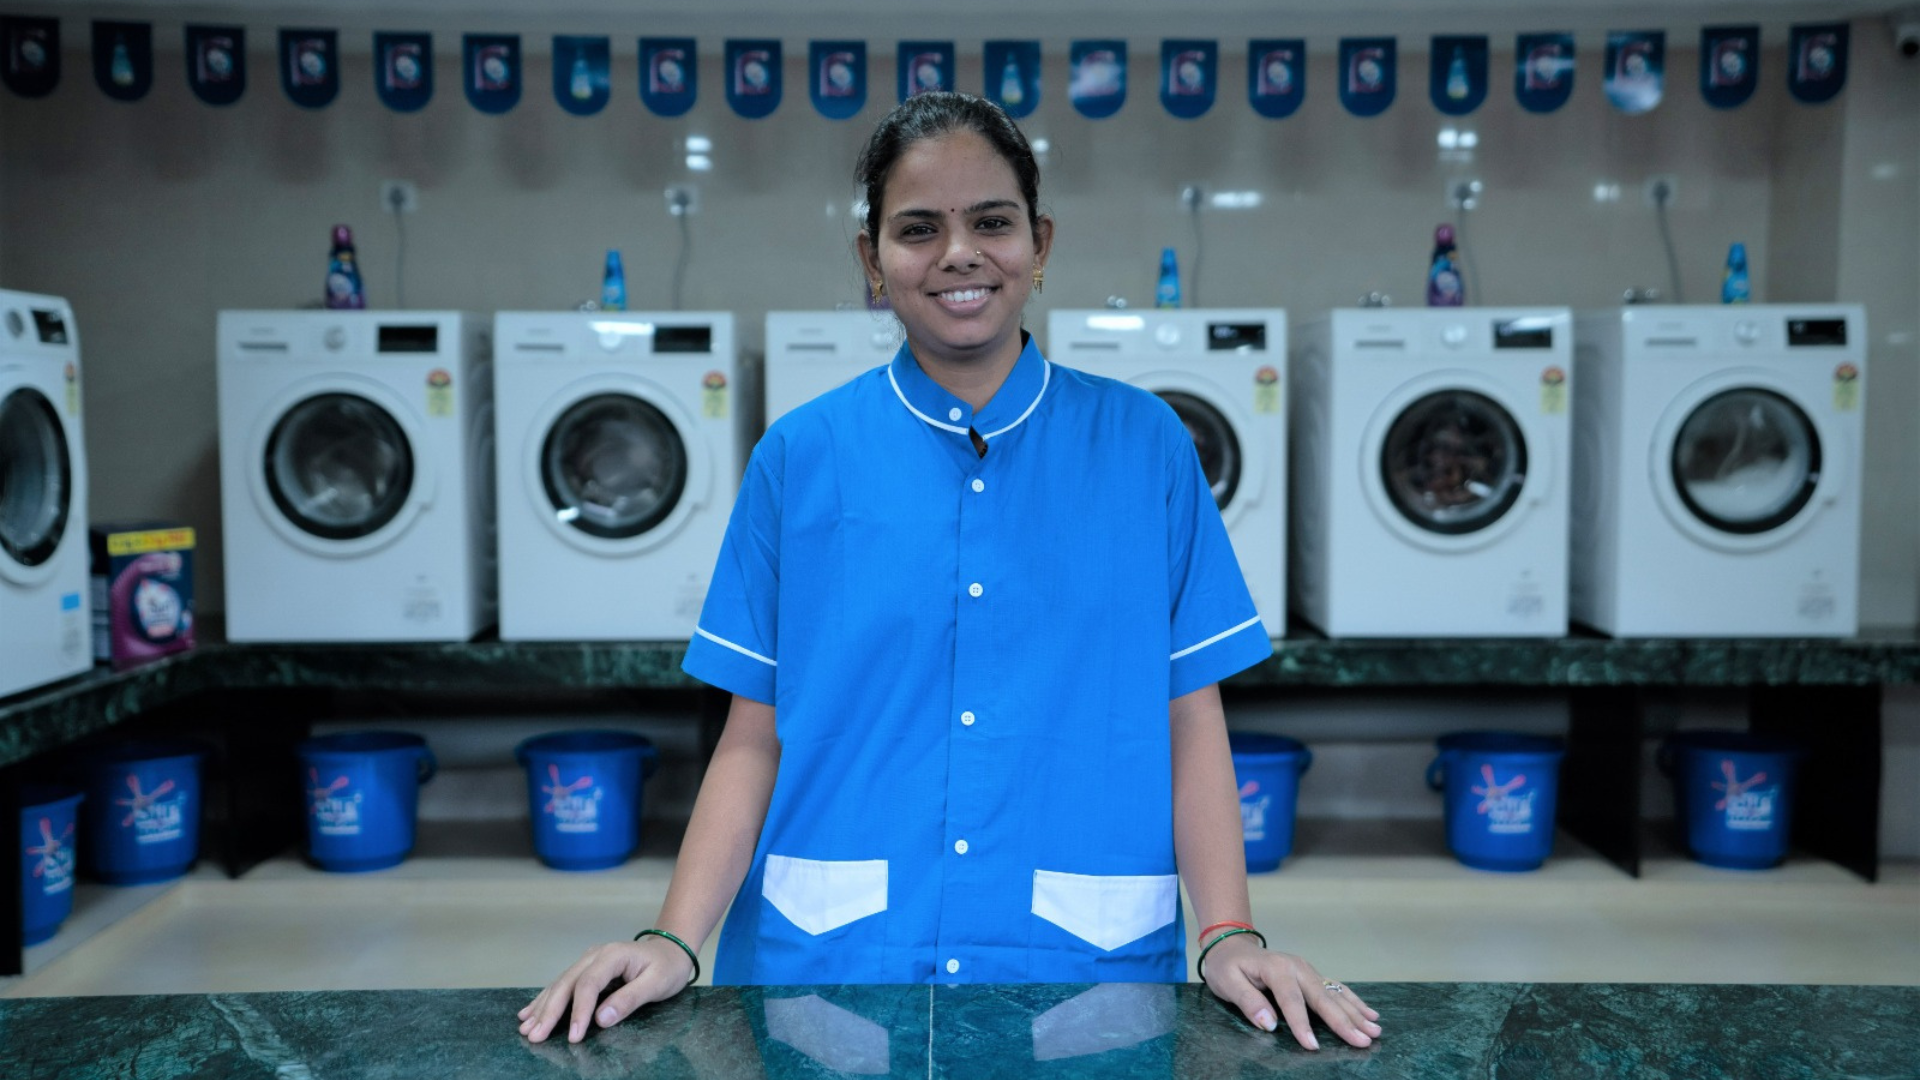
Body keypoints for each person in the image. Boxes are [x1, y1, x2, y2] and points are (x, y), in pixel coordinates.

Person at [519, 92, 1382, 1053]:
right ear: (872, 262)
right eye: (918, 229)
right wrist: (674, 937)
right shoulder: (803, 457)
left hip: (1075, 977)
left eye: (992, 222)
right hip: (829, 979)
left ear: (1040, 242)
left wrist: (1227, 934)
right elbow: (752, 734)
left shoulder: (1146, 449)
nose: (959, 253)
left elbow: (1189, 718)